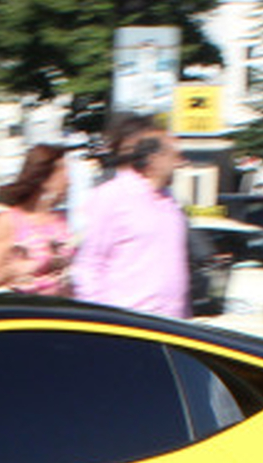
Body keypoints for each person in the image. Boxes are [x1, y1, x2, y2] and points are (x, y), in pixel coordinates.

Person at [72, 127, 189, 319]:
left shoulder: (171, 202)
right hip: (128, 325)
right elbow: (89, 263)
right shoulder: (113, 195)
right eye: (175, 156)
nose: (181, 163)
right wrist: (100, 319)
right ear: (154, 159)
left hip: (171, 325)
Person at [0, 142, 75, 294]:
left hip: (60, 310)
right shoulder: (8, 220)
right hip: (27, 310)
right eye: (64, 172)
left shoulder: (60, 220)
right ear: (45, 178)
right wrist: (16, 270)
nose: (68, 181)